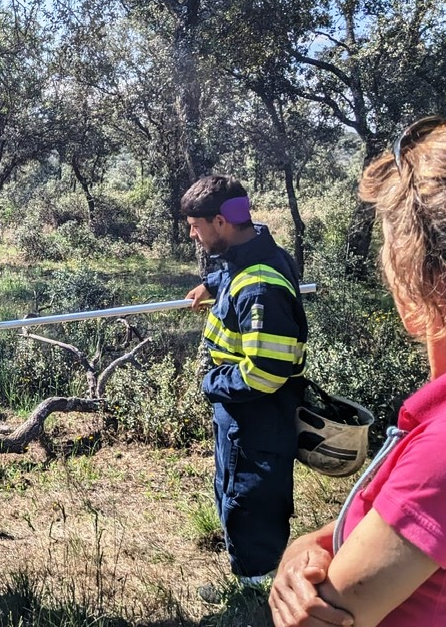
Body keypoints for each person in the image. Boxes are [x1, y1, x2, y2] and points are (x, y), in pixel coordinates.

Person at [269, 116, 446, 626]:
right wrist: (310, 545)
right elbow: (441, 524)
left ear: (427, 279)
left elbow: (319, 621)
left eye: (389, 251)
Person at [181, 176, 308, 601]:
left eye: (197, 227)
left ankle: (257, 598)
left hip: (255, 416)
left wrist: (210, 381)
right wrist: (213, 284)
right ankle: (252, 581)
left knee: (250, 502)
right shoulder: (255, 256)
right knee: (234, 491)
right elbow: (238, 270)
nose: (194, 236)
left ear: (221, 220)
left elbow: (265, 373)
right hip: (242, 414)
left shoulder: (260, 288)